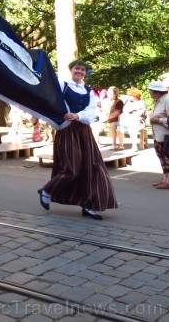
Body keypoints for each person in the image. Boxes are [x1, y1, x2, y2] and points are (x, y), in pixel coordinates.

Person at [37, 60, 117, 220]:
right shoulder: (62, 85)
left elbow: (92, 111)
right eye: (77, 68)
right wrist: (64, 114)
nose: (79, 71)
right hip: (67, 129)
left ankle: (89, 205)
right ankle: (47, 190)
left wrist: (78, 115)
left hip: (83, 130)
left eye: (82, 69)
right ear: (71, 70)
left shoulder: (88, 91)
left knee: (91, 167)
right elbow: (51, 100)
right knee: (71, 167)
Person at [148, 80, 169, 189]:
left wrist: (158, 120)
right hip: (159, 135)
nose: (149, 93)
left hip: (166, 136)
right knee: (162, 158)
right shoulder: (160, 100)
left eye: (150, 91)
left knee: (168, 158)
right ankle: (166, 178)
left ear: (156, 92)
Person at [120, 88, 147, 152]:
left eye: (130, 95)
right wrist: (133, 109)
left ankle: (134, 146)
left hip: (139, 122)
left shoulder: (141, 102)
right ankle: (120, 144)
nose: (128, 97)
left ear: (135, 95)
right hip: (128, 121)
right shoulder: (128, 102)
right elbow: (125, 111)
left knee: (132, 128)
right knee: (118, 128)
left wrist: (132, 110)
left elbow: (140, 113)